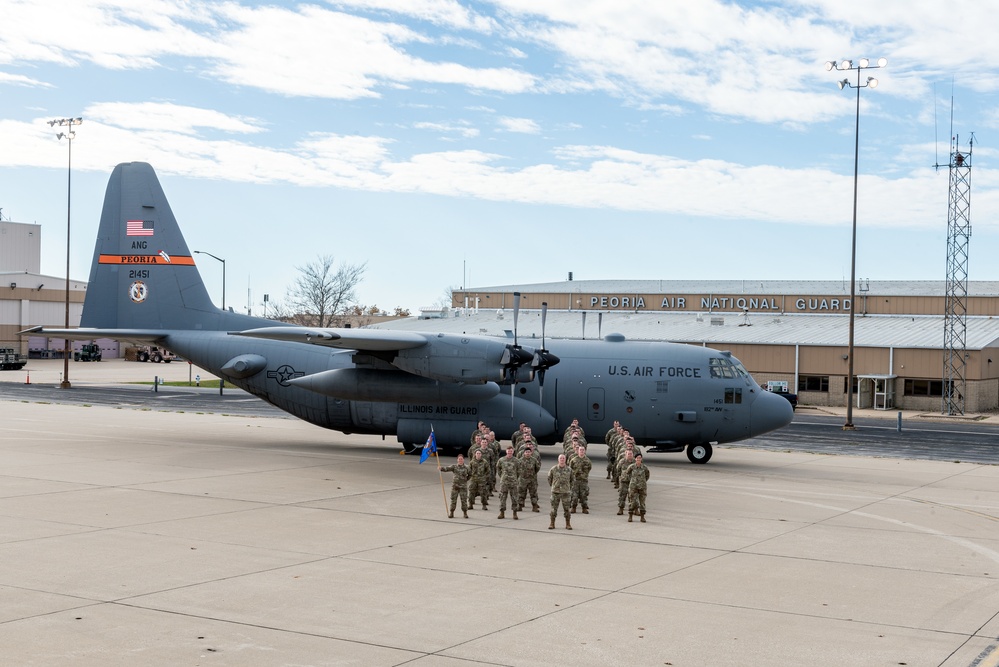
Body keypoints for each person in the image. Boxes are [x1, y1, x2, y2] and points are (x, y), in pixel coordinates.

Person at [547, 453, 574, 530]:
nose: (562, 460)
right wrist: (554, 486)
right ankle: (552, 523)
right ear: (558, 460)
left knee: (567, 510)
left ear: (565, 460)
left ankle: (568, 524)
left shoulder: (569, 470)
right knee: (553, 509)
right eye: (560, 458)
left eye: (563, 458)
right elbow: (549, 478)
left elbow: (572, 480)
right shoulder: (553, 469)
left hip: (565, 492)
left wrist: (568, 488)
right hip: (555, 492)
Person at [439, 454, 471, 518]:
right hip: (455, 486)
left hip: (463, 487)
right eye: (459, 459)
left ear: (463, 460)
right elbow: (447, 469)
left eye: (461, 459)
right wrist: (441, 468)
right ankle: (451, 512)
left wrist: (465, 480)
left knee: (464, 500)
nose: (460, 460)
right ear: (457, 460)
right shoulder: (454, 467)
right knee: (453, 500)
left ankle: (465, 513)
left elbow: (470, 474)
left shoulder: (467, 467)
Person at [496, 446, 521, 520]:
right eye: (508, 451)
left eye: (511, 451)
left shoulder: (516, 460)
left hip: (513, 482)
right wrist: (503, 476)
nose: (510, 452)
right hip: (504, 482)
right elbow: (498, 469)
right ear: (506, 451)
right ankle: (502, 512)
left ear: (513, 452)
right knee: (502, 497)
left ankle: (515, 513)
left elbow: (519, 471)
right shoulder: (501, 460)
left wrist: (515, 478)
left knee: (514, 498)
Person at [626, 453, 651, 523]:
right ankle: (630, 516)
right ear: (635, 459)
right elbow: (628, 474)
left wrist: (642, 481)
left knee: (642, 503)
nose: (638, 459)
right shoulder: (631, 467)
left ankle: (642, 517)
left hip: (642, 487)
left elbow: (647, 476)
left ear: (641, 459)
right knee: (632, 502)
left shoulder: (644, 468)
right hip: (633, 487)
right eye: (637, 458)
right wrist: (632, 481)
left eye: (640, 458)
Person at [569, 443, 592, 514]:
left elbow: (589, 468)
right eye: (580, 450)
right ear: (578, 451)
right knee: (574, 496)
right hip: (575, 481)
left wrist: (584, 476)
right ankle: (573, 507)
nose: (581, 451)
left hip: (583, 481)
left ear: (584, 451)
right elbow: (570, 469)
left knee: (583, 496)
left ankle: (584, 508)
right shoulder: (573, 460)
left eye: (583, 450)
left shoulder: (587, 461)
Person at [517, 446, 540, 512]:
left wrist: (532, 475)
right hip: (522, 480)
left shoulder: (534, 460)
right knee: (521, 493)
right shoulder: (520, 460)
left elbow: (537, 468)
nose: (527, 453)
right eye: (526, 452)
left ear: (531, 453)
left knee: (533, 494)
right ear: (524, 453)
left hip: (532, 480)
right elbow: (517, 469)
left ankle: (534, 506)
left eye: (529, 452)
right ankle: (520, 505)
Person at [616, 449, 635, 515]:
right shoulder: (622, 461)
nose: (630, 455)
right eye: (628, 454)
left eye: (631, 454)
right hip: (624, 482)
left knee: (633, 496)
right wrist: (621, 478)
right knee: (622, 496)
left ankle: (634, 509)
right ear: (625, 454)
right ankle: (621, 509)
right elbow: (618, 470)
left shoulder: (635, 462)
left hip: (632, 482)